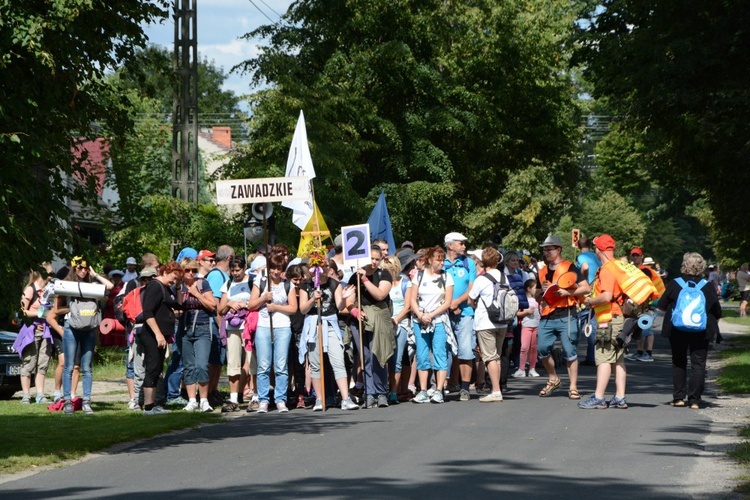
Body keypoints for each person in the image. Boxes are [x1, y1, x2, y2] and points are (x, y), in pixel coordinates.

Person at [48, 256, 114, 414]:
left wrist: (95, 274)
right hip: (72, 328)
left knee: (87, 368)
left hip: (90, 329)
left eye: (86, 268)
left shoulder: (93, 286)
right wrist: (72, 309)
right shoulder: (66, 285)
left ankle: (87, 401)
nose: (83, 271)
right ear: (74, 268)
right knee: (68, 366)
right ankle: (68, 402)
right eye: (80, 268)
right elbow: (56, 309)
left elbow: (110, 286)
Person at [659, 252, 722, 409]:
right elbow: (717, 311)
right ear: (702, 267)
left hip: (677, 329)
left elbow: (661, 305)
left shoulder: (675, 284)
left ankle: (679, 398)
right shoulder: (707, 286)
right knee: (698, 363)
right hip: (701, 330)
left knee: (679, 361)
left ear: (684, 265)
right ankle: (694, 400)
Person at [298, 256, 359, 411]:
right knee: (315, 363)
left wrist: (344, 299)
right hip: (313, 323)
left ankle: (345, 398)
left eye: (324, 266)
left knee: (337, 360)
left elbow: (338, 306)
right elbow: (303, 309)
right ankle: (319, 398)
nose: (321, 270)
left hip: (330, 323)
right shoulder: (306, 285)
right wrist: (313, 298)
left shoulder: (334, 284)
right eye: (318, 267)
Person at [536, 235, 590, 400]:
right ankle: (553, 378)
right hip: (547, 314)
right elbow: (537, 295)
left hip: (567, 313)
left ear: (558, 249)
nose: (546, 252)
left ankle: (573, 387)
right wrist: (541, 290)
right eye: (544, 249)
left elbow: (586, 288)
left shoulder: (569, 266)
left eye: (549, 249)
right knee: (541, 349)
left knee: (569, 351)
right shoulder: (542, 271)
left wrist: (569, 292)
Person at [579, 235, 629, 409]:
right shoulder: (619, 266)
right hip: (619, 317)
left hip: (608, 317)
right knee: (618, 358)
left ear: (598, 250)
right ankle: (620, 397)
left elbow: (607, 296)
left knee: (604, 358)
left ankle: (599, 397)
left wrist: (590, 301)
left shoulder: (607, 269)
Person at [346, 245, 395, 408]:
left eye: (377, 259)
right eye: (371, 258)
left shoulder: (384, 274)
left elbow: (380, 294)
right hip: (360, 319)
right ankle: (370, 392)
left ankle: (381, 392)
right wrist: (354, 311)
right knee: (365, 357)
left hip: (379, 317)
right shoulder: (355, 276)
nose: (373, 262)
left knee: (377, 355)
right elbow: (349, 300)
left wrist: (365, 279)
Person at [248, 253, 297, 413]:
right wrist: (264, 298)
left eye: (279, 269)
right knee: (264, 365)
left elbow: (293, 308)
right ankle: (263, 399)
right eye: (273, 268)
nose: (275, 272)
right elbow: (251, 305)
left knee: (281, 365)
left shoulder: (288, 284)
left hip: (282, 326)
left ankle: (280, 399)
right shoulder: (260, 282)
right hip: (263, 326)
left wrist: (276, 307)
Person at [410, 246, 455, 404]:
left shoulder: (447, 277)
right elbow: (412, 299)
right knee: (422, 355)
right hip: (420, 320)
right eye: (438, 259)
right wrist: (421, 315)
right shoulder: (419, 276)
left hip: (439, 319)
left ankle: (439, 390)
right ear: (430, 260)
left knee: (440, 354)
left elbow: (448, 302)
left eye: (442, 259)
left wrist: (431, 315)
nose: (441, 262)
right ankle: (423, 390)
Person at [140, 262, 182, 415]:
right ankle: (148, 407)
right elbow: (148, 312)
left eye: (177, 279)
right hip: (152, 335)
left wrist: (177, 287)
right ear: (165, 272)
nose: (174, 281)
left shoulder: (165, 288)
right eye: (173, 277)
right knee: (152, 367)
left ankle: (155, 404)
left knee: (158, 368)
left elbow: (178, 304)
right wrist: (157, 333)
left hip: (162, 335)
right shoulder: (154, 286)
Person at [468, 247, 507, 403]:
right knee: (496, 356)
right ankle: (496, 388)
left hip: (485, 321)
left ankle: (496, 390)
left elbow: (471, 299)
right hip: (502, 321)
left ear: (483, 262)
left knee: (489, 357)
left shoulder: (481, 279)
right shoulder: (504, 277)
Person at [177, 258, 217, 412]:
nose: (190, 273)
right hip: (185, 329)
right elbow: (177, 307)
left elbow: (212, 305)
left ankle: (204, 400)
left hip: (202, 327)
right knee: (188, 366)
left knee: (201, 365)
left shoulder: (202, 283)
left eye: (193, 270)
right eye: (186, 270)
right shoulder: (178, 286)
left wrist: (196, 294)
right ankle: (192, 400)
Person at [443, 232, 476, 402]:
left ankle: (464, 387)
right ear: (450, 245)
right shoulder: (441, 263)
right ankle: (440, 386)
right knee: (443, 350)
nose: (464, 246)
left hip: (465, 313)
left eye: (464, 243)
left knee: (465, 349)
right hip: (443, 312)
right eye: (460, 243)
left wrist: (457, 302)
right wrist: (449, 304)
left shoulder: (469, 263)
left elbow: (472, 288)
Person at [14, 265, 54, 404]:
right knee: (29, 362)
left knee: (43, 363)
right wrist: (39, 314)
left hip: (46, 331)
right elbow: (22, 311)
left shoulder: (49, 290)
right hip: (32, 330)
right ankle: (26, 395)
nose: (52, 274)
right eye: (50, 271)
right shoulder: (30, 289)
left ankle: (40, 395)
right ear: (41, 272)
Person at [217, 256, 252, 412]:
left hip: (249, 324)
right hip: (233, 327)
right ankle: (233, 398)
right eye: (232, 270)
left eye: (238, 270)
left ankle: (255, 395)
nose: (235, 273)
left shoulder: (252, 281)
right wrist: (230, 304)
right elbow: (220, 309)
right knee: (233, 362)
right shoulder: (228, 283)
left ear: (244, 268)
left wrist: (245, 305)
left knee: (252, 361)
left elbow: (257, 301)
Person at [205, 245, 235, 406]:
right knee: (214, 360)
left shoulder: (224, 275)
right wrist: (220, 326)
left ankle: (213, 390)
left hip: (220, 325)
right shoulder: (217, 276)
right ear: (229, 259)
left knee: (218, 361)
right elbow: (216, 304)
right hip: (215, 324)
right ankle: (208, 392)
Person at [627, 250, 666, 363]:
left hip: (652, 302)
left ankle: (648, 353)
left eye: (637, 255)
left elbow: (646, 287)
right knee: (641, 327)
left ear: (641, 257)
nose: (635, 257)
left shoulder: (645, 271)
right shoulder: (636, 270)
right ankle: (640, 352)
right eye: (633, 255)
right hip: (646, 302)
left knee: (646, 327)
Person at [576, 236, 601, 366]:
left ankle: (571, 355)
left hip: (585, 294)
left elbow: (584, 267)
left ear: (577, 245)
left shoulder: (580, 257)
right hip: (596, 293)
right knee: (592, 326)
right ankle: (591, 356)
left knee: (577, 325)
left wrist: (583, 279)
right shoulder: (596, 257)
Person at [519, 279, 541, 378]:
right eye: (535, 288)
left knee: (533, 348)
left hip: (536, 325)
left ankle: (532, 368)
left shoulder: (537, 300)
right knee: (524, 347)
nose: (536, 290)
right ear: (529, 289)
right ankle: (521, 369)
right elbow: (517, 313)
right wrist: (526, 312)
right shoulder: (522, 300)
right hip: (526, 325)